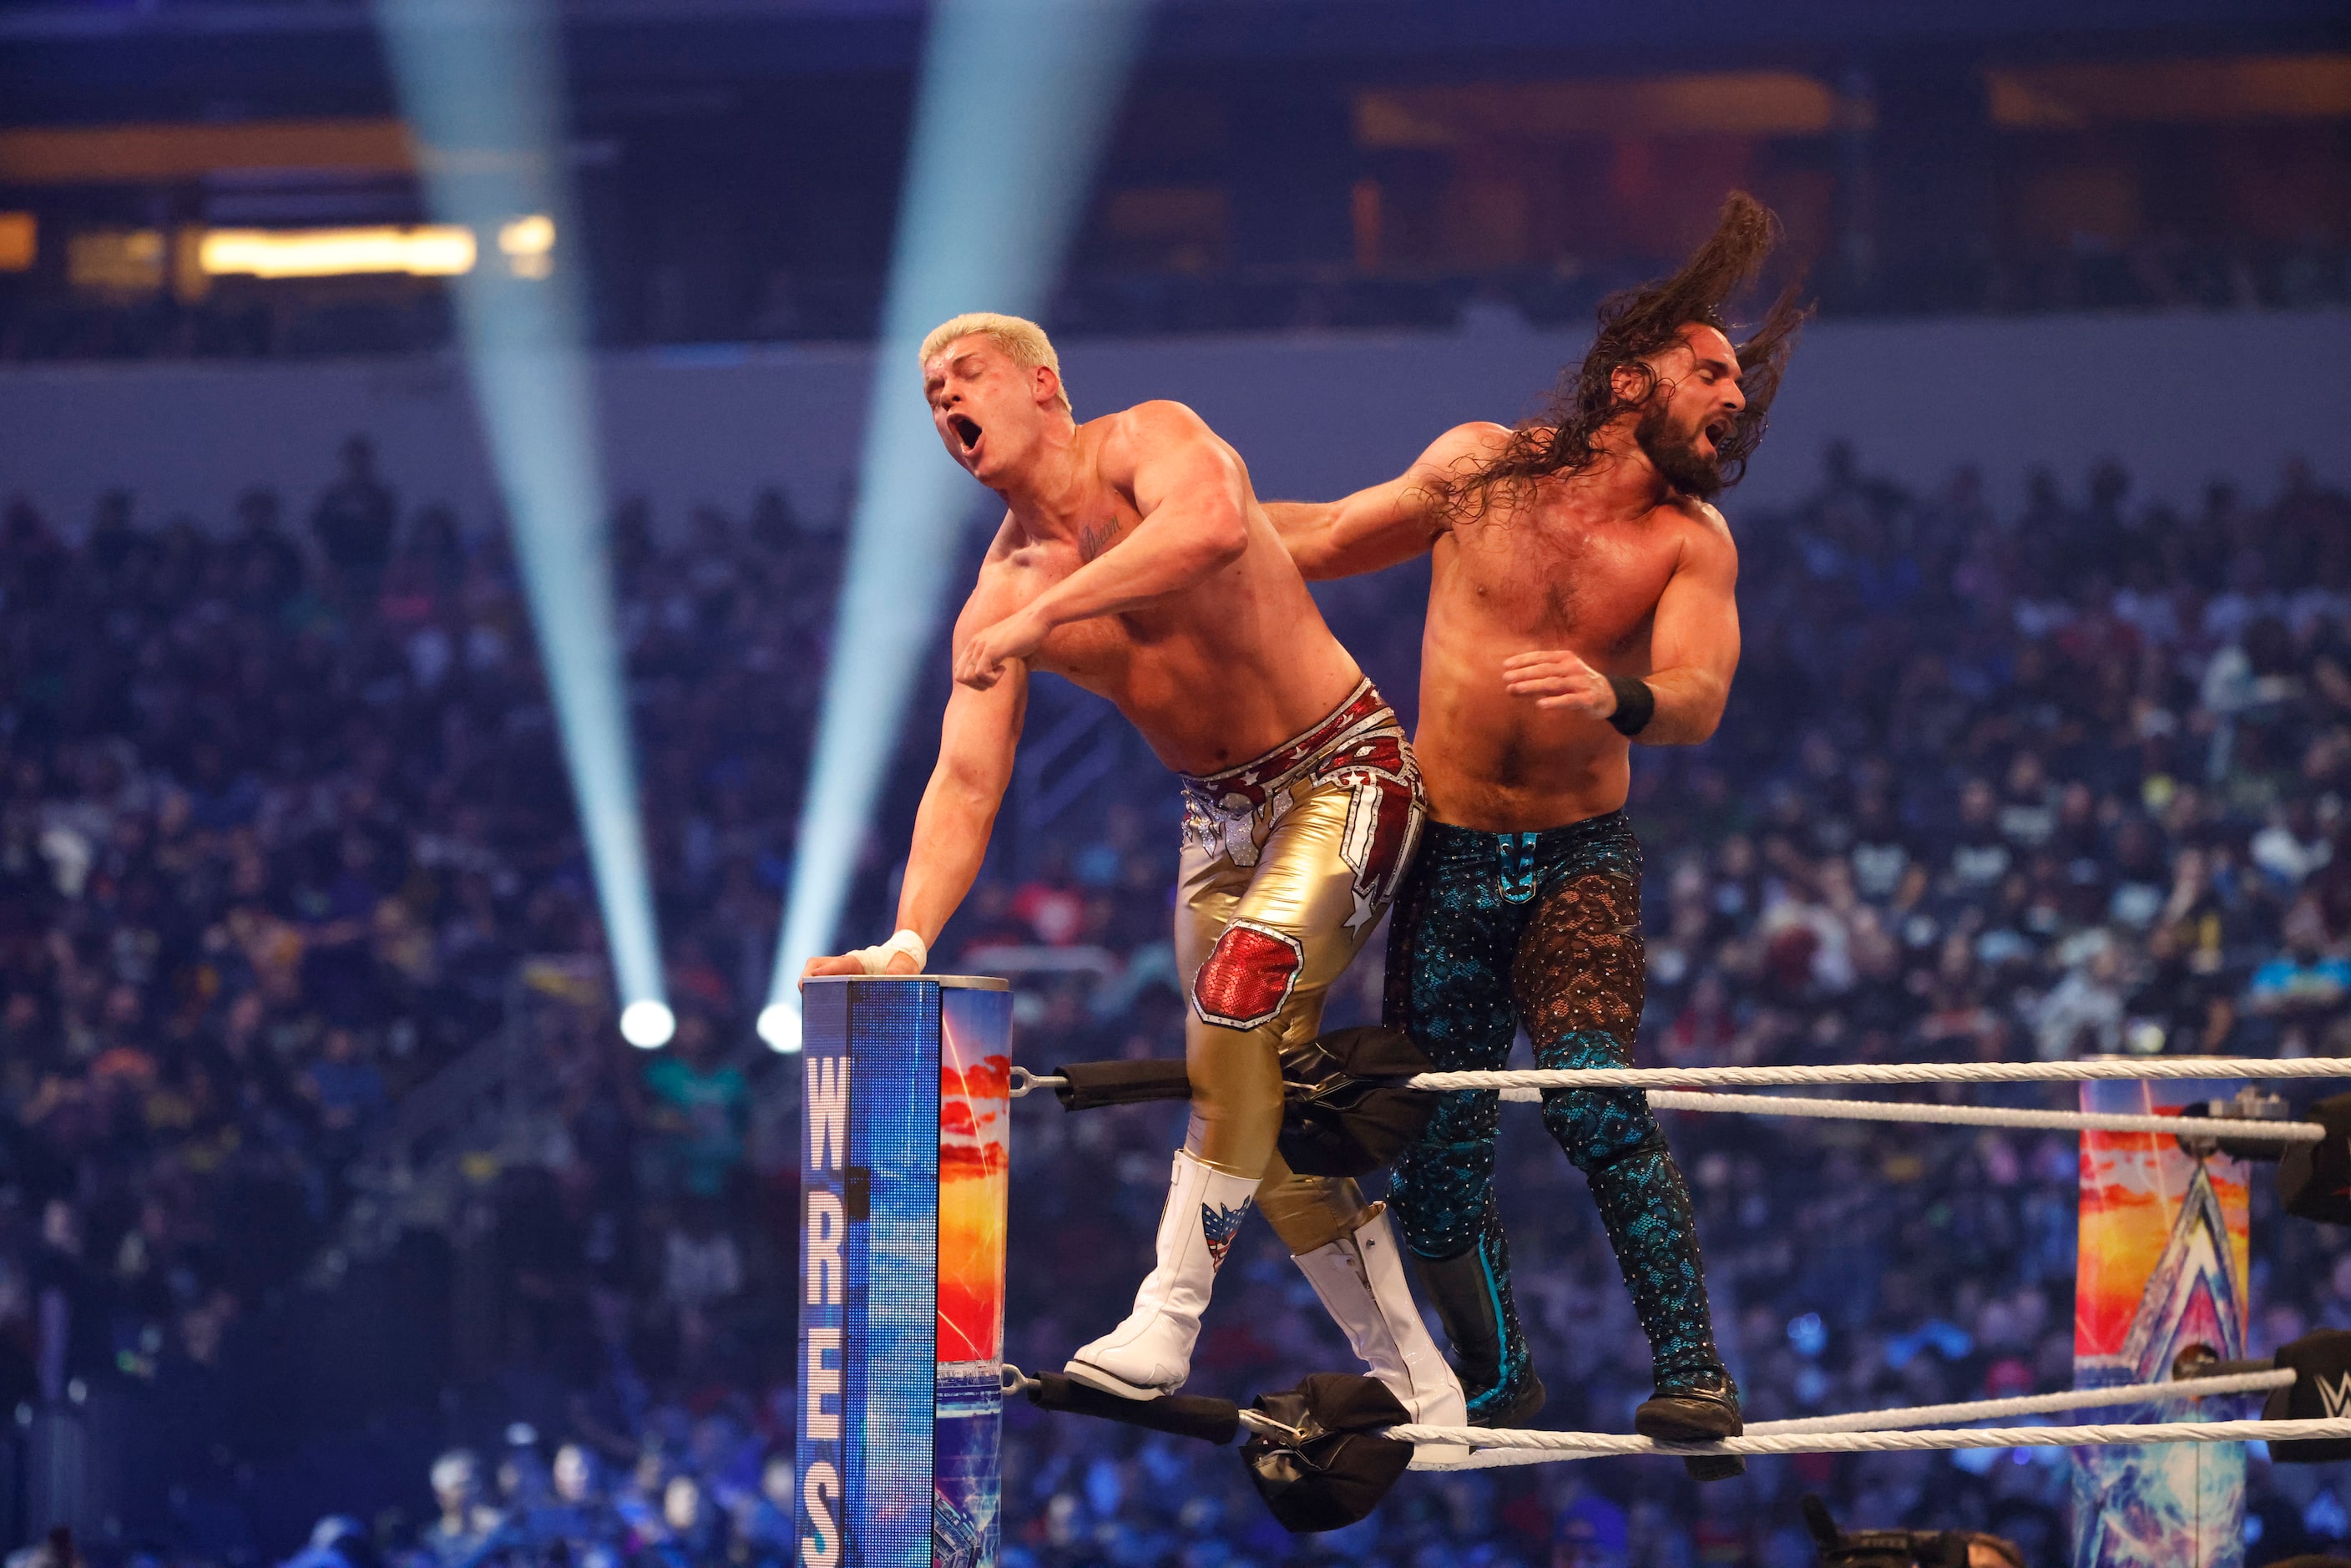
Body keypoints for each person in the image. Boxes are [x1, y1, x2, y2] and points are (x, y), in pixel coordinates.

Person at [802, 313, 1462, 1429]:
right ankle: (1419, 1382)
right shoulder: (999, 588)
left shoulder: (1151, 441)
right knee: (1256, 1096)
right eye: (927, 394)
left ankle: (1167, 1312)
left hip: (1342, 770)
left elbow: (1208, 527)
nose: (942, 403)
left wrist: (1047, 613)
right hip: (1218, 825)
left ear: (1041, 383)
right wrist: (908, 937)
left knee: (1239, 995)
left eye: (960, 376)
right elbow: (965, 782)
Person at [1268, 193, 1805, 1446]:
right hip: (1445, 859)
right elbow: (1338, 536)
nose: (1735, 398)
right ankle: (1497, 1375)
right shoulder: (1481, 469)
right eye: (1710, 370)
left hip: (1575, 860)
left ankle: (1695, 1373)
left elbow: (1699, 699)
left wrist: (1609, 690)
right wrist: (1200, 534)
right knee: (1434, 1169)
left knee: (1589, 1090)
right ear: (1631, 379)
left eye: (1740, 383)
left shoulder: (1692, 542)